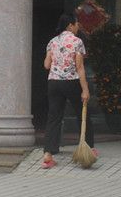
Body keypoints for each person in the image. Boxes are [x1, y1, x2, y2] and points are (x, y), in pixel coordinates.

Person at [41, 9, 96, 168]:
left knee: (54, 117)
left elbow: (46, 65)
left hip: (54, 82)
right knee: (82, 114)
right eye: (76, 23)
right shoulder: (77, 42)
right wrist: (85, 89)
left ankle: (48, 154)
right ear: (70, 25)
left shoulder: (52, 42)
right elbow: (80, 67)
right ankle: (88, 148)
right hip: (71, 82)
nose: (78, 26)